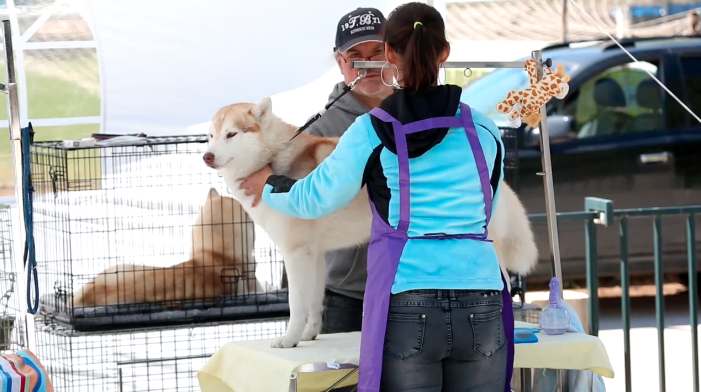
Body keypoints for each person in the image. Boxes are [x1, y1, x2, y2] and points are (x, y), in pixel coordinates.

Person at [242, 2, 513, 392]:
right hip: (482, 294)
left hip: (408, 297)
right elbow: (490, 196)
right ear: (445, 53)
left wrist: (271, 184)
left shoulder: (369, 130)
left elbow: (313, 200)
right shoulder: (483, 127)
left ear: (388, 54)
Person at [304, 7, 394, 335]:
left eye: (378, 52)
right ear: (340, 62)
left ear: (396, 52)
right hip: (346, 292)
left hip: (414, 288)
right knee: (341, 383)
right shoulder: (319, 130)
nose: (367, 63)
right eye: (356, 55)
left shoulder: (421, 117)